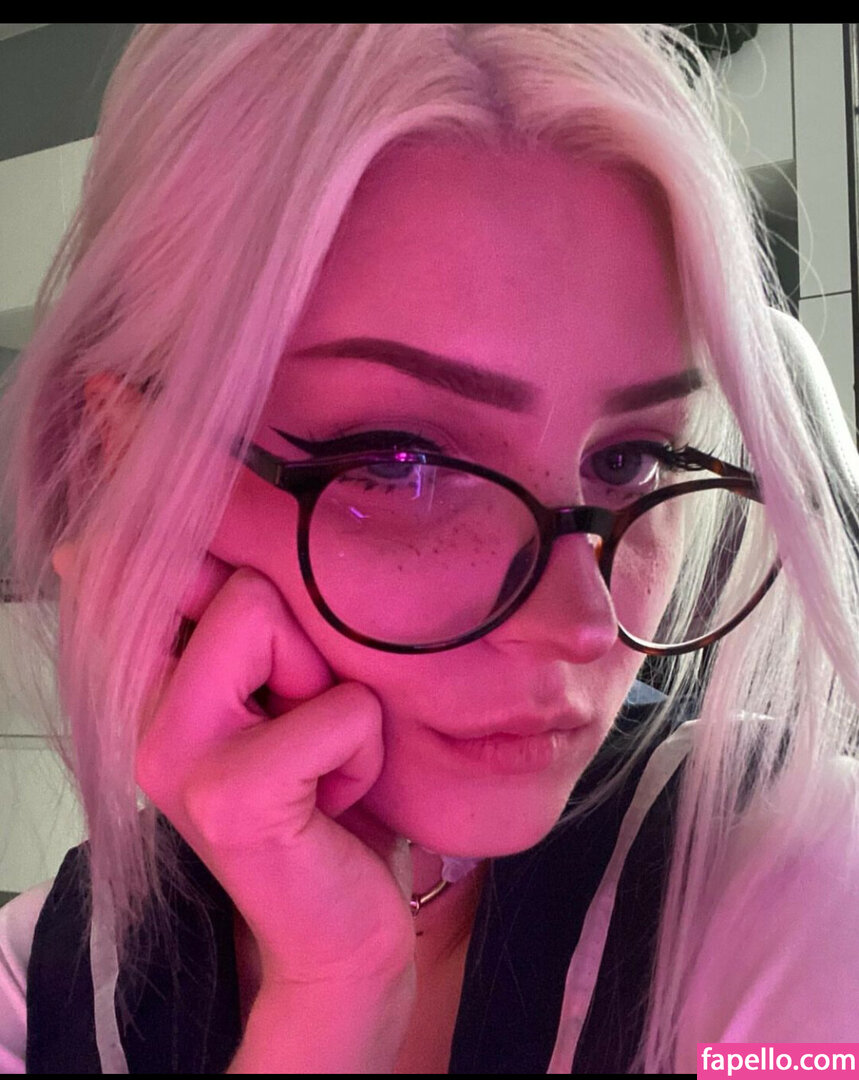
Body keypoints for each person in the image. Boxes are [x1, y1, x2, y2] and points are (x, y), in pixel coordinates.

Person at [0, 23, 858, 1074]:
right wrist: (330, 1003)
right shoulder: (42, 988)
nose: (580, 626)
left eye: (628, 459)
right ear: (128, 457)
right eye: (400, 463)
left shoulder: (799, 889)